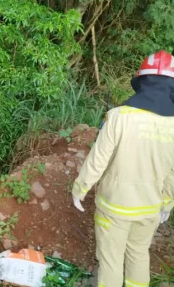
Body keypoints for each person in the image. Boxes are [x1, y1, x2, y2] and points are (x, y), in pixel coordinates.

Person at [72, 50, 174, 287]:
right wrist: (167, 203)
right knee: (139, 256)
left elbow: (99, 159)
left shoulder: (119, 117)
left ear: (142, 82)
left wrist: (80, 188)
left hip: (114, 207)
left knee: (110, 260)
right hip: (149, 208)